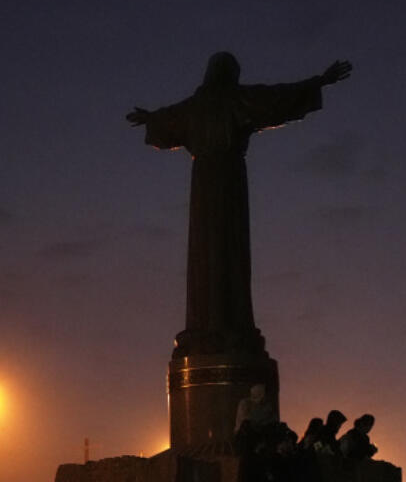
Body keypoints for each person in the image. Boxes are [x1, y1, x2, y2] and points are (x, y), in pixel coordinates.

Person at [127, 53, 351, 355]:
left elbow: (168, 119)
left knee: (209, 252)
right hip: (228, 180)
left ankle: (211, 326)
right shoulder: (235, 99)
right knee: (227, 250)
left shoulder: (196, 106)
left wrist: (151, 118)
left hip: (206, 183)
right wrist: (319, 81)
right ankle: (229, 326)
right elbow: (276, 98)